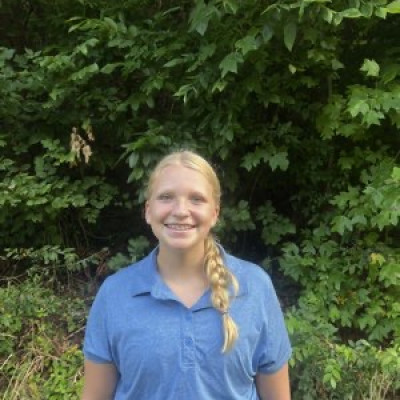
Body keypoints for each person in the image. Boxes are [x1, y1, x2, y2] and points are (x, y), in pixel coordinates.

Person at [81, 150, 292, 400]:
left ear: (215, 213)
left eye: (196, 199)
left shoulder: (254, 287)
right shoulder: (115, 295)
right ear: (148, 211)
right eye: (166, 197)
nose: (181, 210)